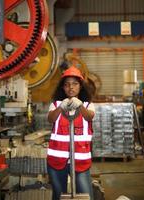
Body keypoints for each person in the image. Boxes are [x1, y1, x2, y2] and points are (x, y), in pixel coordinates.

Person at [47, 66, 95, 200]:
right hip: (57, 161)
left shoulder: (87, 105)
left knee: (86, 196)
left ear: (80, 87)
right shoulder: (56, 105)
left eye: (75, 84)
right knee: (59, 196)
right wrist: (61, 107)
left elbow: (89, 117)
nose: (71, 87)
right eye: (67, 84)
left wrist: (79, 106)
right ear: (63, 88)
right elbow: (50, 118)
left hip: (80, 161)